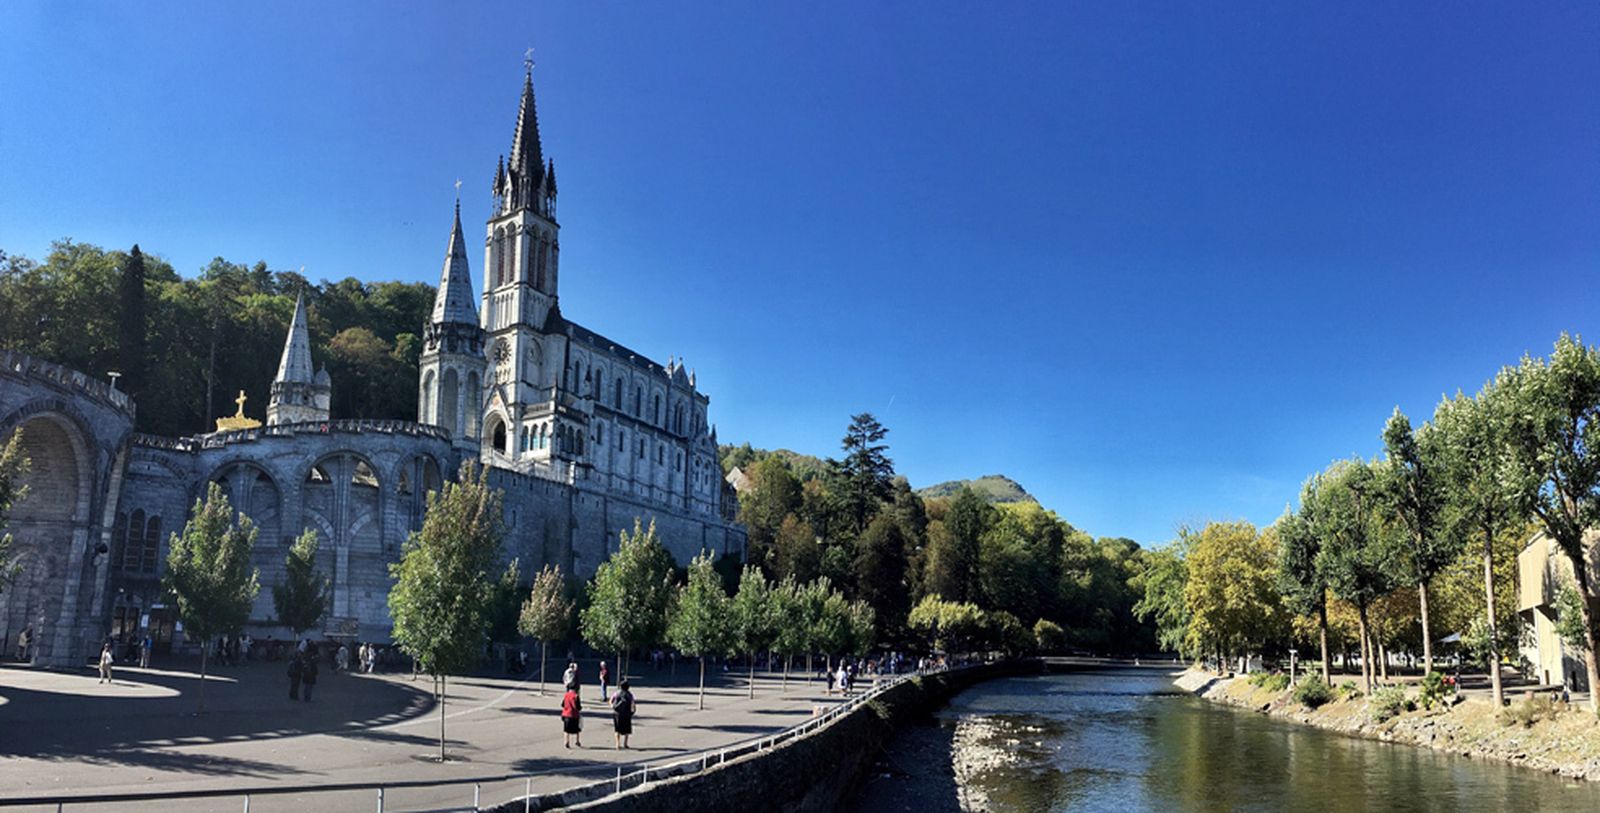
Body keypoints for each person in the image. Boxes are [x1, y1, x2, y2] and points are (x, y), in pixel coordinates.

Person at [611, 678, 636, 749]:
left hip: (617, 713)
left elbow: (611, 701)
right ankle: (625, 743)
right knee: (627, 729)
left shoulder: (616, 693)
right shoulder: (629, 694)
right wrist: (633, 711)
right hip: (626, 713)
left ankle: (617, 744)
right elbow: (633, 704)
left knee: (617, 729)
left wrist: (613, 706)